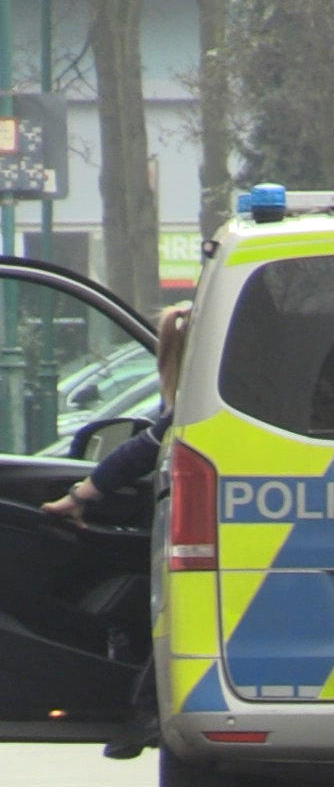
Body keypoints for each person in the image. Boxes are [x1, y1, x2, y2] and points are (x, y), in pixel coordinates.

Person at [42, 301, 192, 759]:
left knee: (176, 619)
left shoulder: (192, 405)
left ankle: (147, 709)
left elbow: (139, 453)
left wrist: (80, 496)